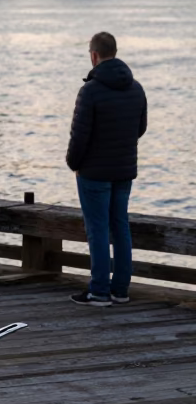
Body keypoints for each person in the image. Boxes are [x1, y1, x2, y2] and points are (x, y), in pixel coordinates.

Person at [66, 31, 147, 307]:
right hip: (124, 170)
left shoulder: (90, 91)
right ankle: (120, 290)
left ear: (94, 55)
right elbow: (140, 128)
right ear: (115, 52)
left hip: (94, 172)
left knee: (98, 230)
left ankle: (99, 291)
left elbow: (79, 137)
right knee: (120, 227)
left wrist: (74, 164)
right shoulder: (136, 88)